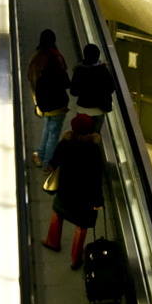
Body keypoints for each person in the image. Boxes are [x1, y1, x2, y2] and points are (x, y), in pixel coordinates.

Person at [43, 113, 105, 269]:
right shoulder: (94, 150)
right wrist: (97, 202)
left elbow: (53, 162)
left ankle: (53, 242)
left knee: (58, 214)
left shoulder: (65, 144)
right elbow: (97, 178)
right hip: (85, 198)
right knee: (82, 227)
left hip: (65, 191)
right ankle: (75, 259)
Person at [28, 29, 70, 170]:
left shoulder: (36, 58)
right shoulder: (56, 58)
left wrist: (37, 100)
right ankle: (47, 165)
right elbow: (66, 82)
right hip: (58, 104)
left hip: (43, 103)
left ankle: (40, 156)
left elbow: (31, 78)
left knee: (48, 128)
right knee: (54, 133)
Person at [69, 44, 115, 132]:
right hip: (99, 109)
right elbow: (111, 88)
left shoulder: (79, 70)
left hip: (82, 109)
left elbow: (73, 92)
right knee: (94, 136)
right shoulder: (103, 70)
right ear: (97, 55)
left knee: (81, 134)